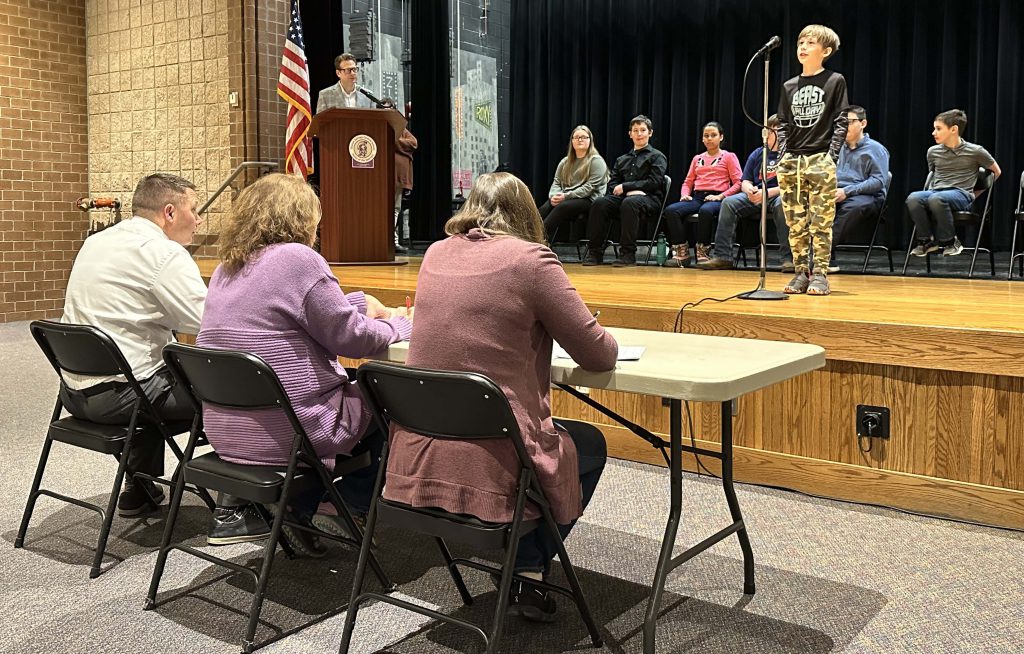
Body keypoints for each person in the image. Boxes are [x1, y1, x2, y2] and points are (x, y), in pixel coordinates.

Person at [384, 172, 618, 621]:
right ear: (526, 213)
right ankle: (527, 567)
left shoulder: (433, 253)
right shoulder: (532, 261)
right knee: (589, 444)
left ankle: (525, 569)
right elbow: (600, 354)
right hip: (493, 458)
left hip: (416, 454)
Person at [196, 173, 412, 556]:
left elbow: (293, 313)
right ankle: (344, 507)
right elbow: (352, 339)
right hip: (290, 432)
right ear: (300, 217)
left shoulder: (227, 268)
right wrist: (400, 325)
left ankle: (299, 508)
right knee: (388, 390)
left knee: (353, 389)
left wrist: (361, 303)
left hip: (228, 429)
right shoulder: (298, 259)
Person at [59, 173, 263, 543]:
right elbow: (210, 324)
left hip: (74, 391)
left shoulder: (97, 241)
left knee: (156, 366)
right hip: (122, 397)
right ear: (170, 212)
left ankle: (138, 488)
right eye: (194, 210)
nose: (199, 220)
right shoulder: (164, 253)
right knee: (233, 390)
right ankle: (234, 511)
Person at [776, 24, 849, 295]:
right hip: (792, 160)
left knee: (821, 220)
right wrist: (783, 154)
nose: (803, 47)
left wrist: (831, 156)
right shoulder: (789, 85)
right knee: (795, 222)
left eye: (810, 43)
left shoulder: (834, 81)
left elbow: (841, 120)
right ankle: (799, 272)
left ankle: (820, 272)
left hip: (820, 158)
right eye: (800, 43)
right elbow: (782, 122)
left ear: (826, 51)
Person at [698, 116, 792, 271]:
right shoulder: (758, 153)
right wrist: (749, 189)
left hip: (778, 194)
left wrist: (766, 193)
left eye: (777, 129)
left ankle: (788, 259)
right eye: (771, 129)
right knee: (729, 203)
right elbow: (745, 180)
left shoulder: (791, 154)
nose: (773, 133)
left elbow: (792, 186)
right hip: (756, 194)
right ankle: (723, 257)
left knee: (783, 204)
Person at [906, 108, 1001, 257]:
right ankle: (926, 241)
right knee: (913, 198)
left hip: (961, 194)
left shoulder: (976, 151)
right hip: (936, 192)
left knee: (936, 199)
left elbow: (996, 171)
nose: (933, 133)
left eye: (938, 129)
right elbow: (933, 174)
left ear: (954, 129)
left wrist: (975, 194)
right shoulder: (933, 152)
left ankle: (950, 241)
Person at [582, 115, 667, 267]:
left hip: (649, 199)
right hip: (626, 198)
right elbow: (613, 184)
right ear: (630, 134)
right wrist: (627, 190)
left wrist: (627, 187)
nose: (639, 134)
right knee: (600, 203)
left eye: (643, 130)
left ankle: (628, 254)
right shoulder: (622, 159)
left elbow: (654, 183)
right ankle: (595, 252)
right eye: (635, 130)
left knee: (630, 203)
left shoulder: (657, 156)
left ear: (650, 133)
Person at [661, 122, 743, 266]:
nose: (709, 138)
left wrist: (721, 196)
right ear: (702, 139)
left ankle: (703, 251)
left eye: (713, 135)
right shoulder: (697, 158)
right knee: (671, 211)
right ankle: (682, 251)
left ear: (721, 137)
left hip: (718, 197)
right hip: (698, 196)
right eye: (706, 136)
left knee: (706, 211)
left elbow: (738, 183)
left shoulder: (729, 157)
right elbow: (688, 181)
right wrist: (685, 194)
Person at [829, 105, 890, 272]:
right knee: (811, 203)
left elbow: (878, 181)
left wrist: (847, 191)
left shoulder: (876, 149)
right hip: (836, 192)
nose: (843, 126)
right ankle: (826, 259)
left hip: (867, 195)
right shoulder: (836, 147)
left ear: (863, 123)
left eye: (849, 122)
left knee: (853, 206)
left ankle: (819, 253)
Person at [538, 125, 609, 243]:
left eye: (583, 137)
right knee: (546, 207)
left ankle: (539, 239)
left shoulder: (596, 161)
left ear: (590, 140)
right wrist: (553, 195)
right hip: (566, 197)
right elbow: (556, 182)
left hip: (589, 200)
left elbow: (589, 188)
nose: (580, 140)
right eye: (576, 137)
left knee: (562, 206)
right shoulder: (565, 162)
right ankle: (528, 236)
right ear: (572, 141)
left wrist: (566, 196)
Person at [394, 124, 418, 253]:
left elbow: (413, 143)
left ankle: (393, 240)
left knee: (395, 209)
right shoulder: (382, 129)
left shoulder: (399, 129)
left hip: (397, 178)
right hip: (384, 175)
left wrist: (395, 140)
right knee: (393, 210)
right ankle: (391, 240)